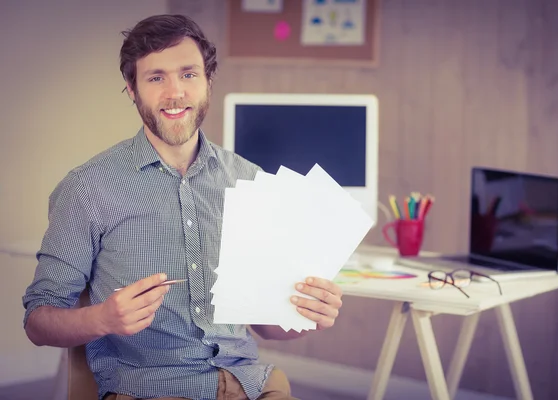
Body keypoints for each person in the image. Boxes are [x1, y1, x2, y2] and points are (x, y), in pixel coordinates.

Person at [22, 14, 343, 400]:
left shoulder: (251, 181)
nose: (175, 93)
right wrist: (102, 317)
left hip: (252, 385)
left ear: (208, 80)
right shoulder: (87, 188)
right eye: (156, 78)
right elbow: (38, 322)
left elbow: (265, 325)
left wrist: (307, 314)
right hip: (150, 390)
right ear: (132, 89)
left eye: (188, 74)